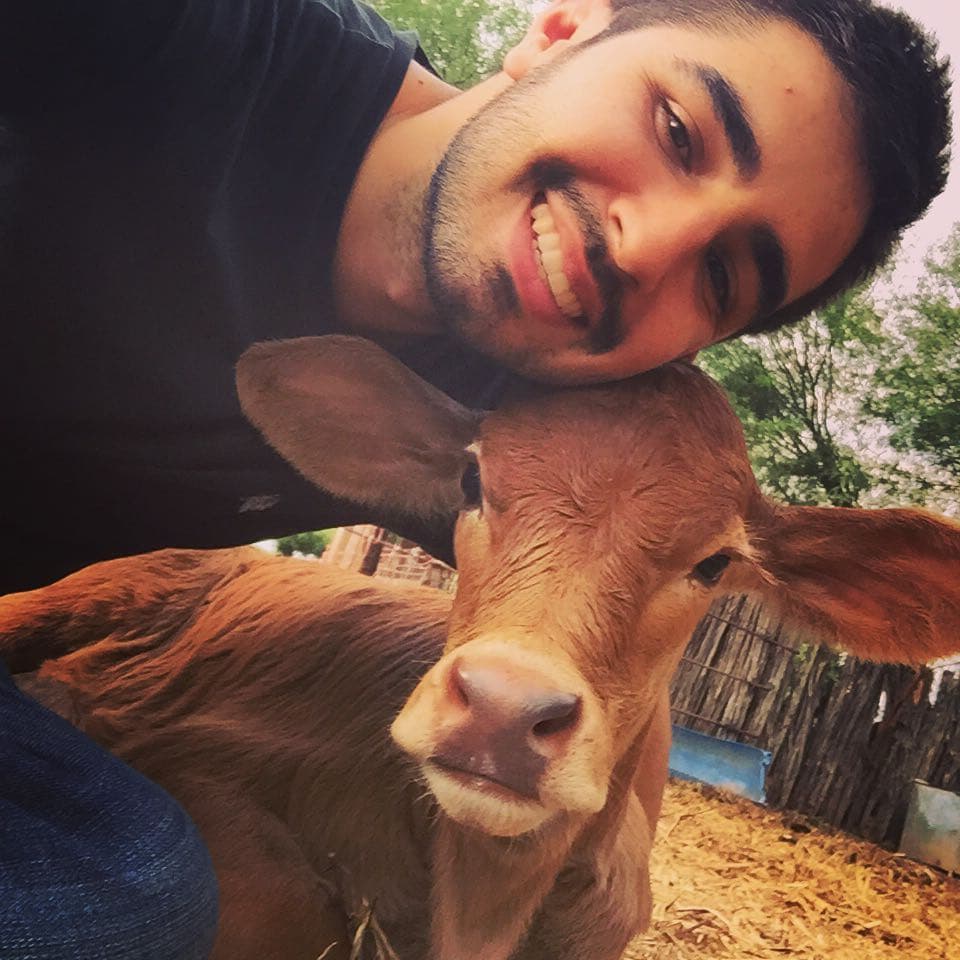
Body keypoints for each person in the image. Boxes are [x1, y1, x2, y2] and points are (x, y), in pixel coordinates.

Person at [0, 1, 951, 958]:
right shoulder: (168, 36)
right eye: (677, 129)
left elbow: (605, 616)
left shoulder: (523, 427)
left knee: (134, 888)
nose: (644, 244)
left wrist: (607, 886)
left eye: (723, 276)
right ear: (565, 28)